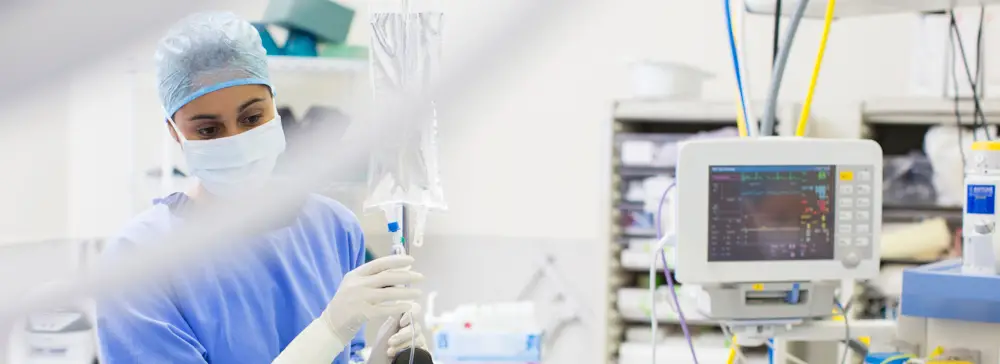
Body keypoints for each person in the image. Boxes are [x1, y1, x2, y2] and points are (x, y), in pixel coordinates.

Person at [96, 11, 426, 364]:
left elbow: (347, 356)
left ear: (273, 103)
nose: (236, 141)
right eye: (208, 130)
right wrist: (330, 329)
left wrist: (383, 356)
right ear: (174, 133)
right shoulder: (136, 263)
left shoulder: (332, 227)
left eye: (252, 118)